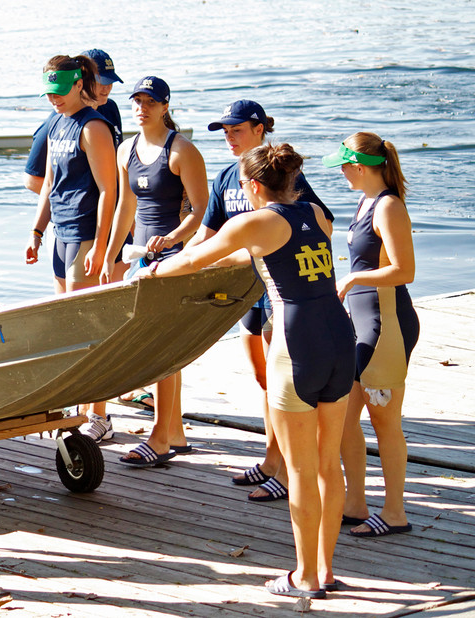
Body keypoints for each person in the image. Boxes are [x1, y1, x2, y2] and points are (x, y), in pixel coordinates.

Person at [137, 142, 353, 598]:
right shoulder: (317, 215)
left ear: (253, 185)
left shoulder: (253, 220)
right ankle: (327, 570)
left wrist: (152, 273)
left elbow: (197, 257)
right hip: (339, 339)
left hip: (296, 348)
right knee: (328, 464)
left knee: (298, 469)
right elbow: (261, 256)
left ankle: (305, 577)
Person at [187, 100, 333, 501]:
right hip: (242, 296)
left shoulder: (283, 176)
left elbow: (325, 224)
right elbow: (206, 236)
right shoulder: (224, 178)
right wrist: (174, 258)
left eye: (236, 130)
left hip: (281, 295)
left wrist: (255, 251)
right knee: (264, 380)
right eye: (225, 132)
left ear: (259, 130)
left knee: (285, 383)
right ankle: (272, 460)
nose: (230, 138)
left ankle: (286, 468)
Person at [101, 76, 208, 466]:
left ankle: (160, 438)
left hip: (175, 257)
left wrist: (172, 239)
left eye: (150, 102)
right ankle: (174, 431)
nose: (141, 108)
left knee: (163, 346)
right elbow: (124, 208)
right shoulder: (125, 149)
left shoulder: (181, 151)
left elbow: (200, 211)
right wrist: (111, 257)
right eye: (137, 101)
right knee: (163, 345)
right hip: (140, 256)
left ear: (165, 106)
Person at [324, 133, 419, 538]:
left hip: (388, 326)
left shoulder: (389, 207)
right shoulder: (365, 202)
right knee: (345, 417)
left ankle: (395, 512)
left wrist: (352, 279)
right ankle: (355, 503)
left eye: (343, 166)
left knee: (384, 421)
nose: (341, 174)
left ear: (359, 165)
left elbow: (405, 271)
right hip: (362, 322)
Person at [24, 54, 117, 443]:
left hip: (86, 235)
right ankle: (75, 410)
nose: (54, 99)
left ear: (80, 83)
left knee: (89, 329)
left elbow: (110, 189)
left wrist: (103, 247)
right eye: (49, 93)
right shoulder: (57, 123)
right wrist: (37, 230)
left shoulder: (94, 126)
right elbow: (47, 183)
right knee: (68, 326)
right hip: (60, 234)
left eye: (60, 92)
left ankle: (98, 416)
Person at [23, 48, 124, 195]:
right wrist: (73, 203)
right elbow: (31, 180)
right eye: (101, 81)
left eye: (111, 81)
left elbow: (116, 168)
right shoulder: (58, 119)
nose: (107, 87)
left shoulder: (110, 108)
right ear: (82, 82)